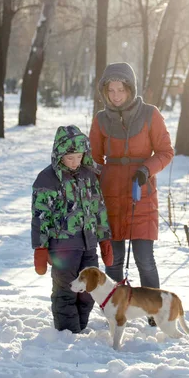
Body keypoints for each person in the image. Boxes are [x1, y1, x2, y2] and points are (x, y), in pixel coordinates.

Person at [89, 62, 174, 326]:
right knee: (112, 262)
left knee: (145, 259)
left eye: (121, 90)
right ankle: (114, 312)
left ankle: (155, 314)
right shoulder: (101, 119)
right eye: (111, 90)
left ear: (130, 89)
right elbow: (93, 158)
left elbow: (165, 151)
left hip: (141, 193)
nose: (115, 96)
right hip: (111, 195)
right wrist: (97, 180)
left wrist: (146, 169)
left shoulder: (150, 114)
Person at [31, 125, 113, 334]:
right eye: (70, 158)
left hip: (88, 244)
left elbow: (98, 208)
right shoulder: (47, 179)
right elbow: (41, 216)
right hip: (62, 247)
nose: (75, 162)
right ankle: (67, 334)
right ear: (59, 154)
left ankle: (80, 327)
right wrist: (40, 248)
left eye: (79, 157)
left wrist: (104, 239)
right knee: (66, 290)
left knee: (89, 290)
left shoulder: (88, 175)